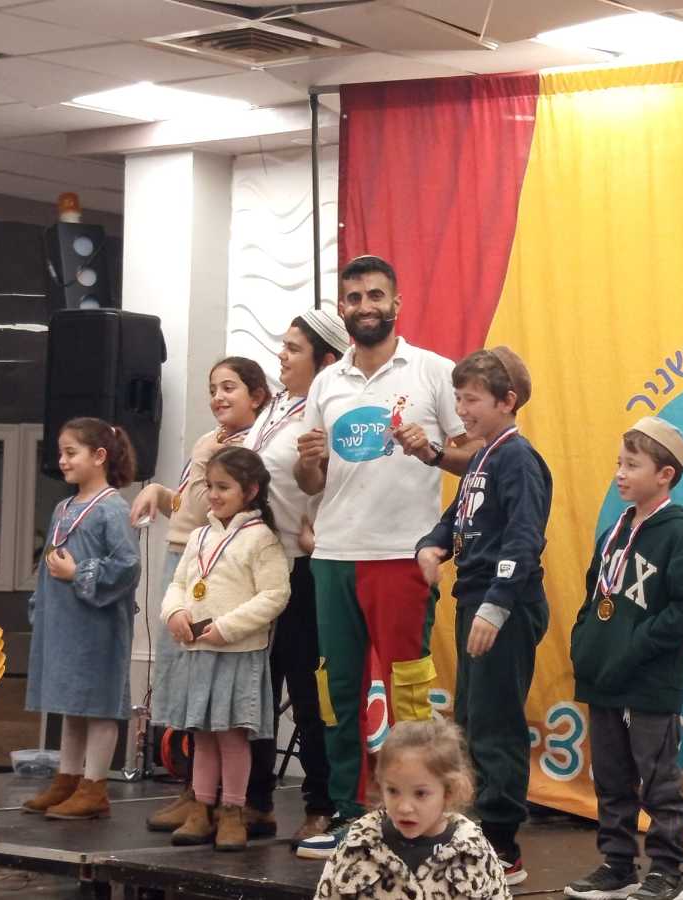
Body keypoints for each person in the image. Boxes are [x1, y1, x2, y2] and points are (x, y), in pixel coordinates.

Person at [294, 255, 478, 859]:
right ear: (342, 308)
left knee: (409, 696)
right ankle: (352, 815)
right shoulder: (326, 383)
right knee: (338, 692)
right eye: (354, 298)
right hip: (334, 554)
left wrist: (432, 452)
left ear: (396, 304)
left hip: (403, 554)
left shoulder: (432, 371)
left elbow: (475, 456)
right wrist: (309, 462)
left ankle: (420, 819)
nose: (365, 306)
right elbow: (311, 481)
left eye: (376, 296)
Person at [415, 347, 551, 884]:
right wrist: (432, 545)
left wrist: (497, 604)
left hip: (504, 607)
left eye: (471, 400)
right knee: (471, 718)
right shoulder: (482, 459)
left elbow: (523, 537)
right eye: (458, 398)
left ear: (506, 401)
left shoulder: (517, 459)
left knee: (496, 721)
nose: (462, 411)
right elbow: (455, 519)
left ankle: (501, 844)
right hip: (473, 599)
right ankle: (474, 830)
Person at [564, 417, 683, 900]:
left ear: (664, 475)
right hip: (604, 678)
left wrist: (636, 646)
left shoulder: (677, 534)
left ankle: (667, 872)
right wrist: (586, 641)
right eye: (619, 463)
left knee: (658, 778)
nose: (620, 474)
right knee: (610, 776)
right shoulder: (615, 532)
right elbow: (594, 596)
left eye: (632, 465)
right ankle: (618, 865)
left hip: (649, 681)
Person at [132, 356, 272, 834]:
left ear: (257, 395)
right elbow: (189, 503)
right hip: (189, 551)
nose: (218, 397)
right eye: (213, 388)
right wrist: (159, 491)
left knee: (228, 710)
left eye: (229, 387)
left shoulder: (258, 443)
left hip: (230, 570)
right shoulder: (207, 442)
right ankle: (196, 793)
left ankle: (231, 803)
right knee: (186, 688)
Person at [245, 310, 352, 844]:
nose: (281, 355)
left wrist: (323, 536)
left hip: (303, 566)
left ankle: (321, 803)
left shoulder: (331, 413)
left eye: (293, 348)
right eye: (282, 345)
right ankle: (255, 800)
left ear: (326, 360)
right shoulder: (276, 407)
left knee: (308, 692)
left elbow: (338, 486)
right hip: (254, 566)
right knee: (256, 688)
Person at [153, 447, 290, 852]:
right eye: (210, 486)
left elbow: (275, 594)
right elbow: (179, 583)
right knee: (202, 736)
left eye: (223, 487)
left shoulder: (261, 538)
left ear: (250, 490)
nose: (213, 495)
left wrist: (228, 628)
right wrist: (175, 612)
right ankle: (201, 809)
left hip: (236, 654)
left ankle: (232, 812)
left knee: (231, 737)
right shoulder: (199, 535)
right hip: (198, 653)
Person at [22, 418, 141, 820]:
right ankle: (67, 780)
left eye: (71, 453)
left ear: (99, 456)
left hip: (98, 627)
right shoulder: (63, 507)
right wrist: (43, 607)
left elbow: (127, 566)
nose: (62, 461)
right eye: (61, 453)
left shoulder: (113, 508)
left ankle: (95, 787)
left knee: (99, 706)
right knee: (71, 705)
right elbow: (48, 564)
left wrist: (79, 574)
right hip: (66, 623)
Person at [313, 718, 509, 900]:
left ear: (449, 791)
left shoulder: (475, 853)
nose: (404, 807)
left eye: (420, 793)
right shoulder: (356, 847)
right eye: (393, 791)